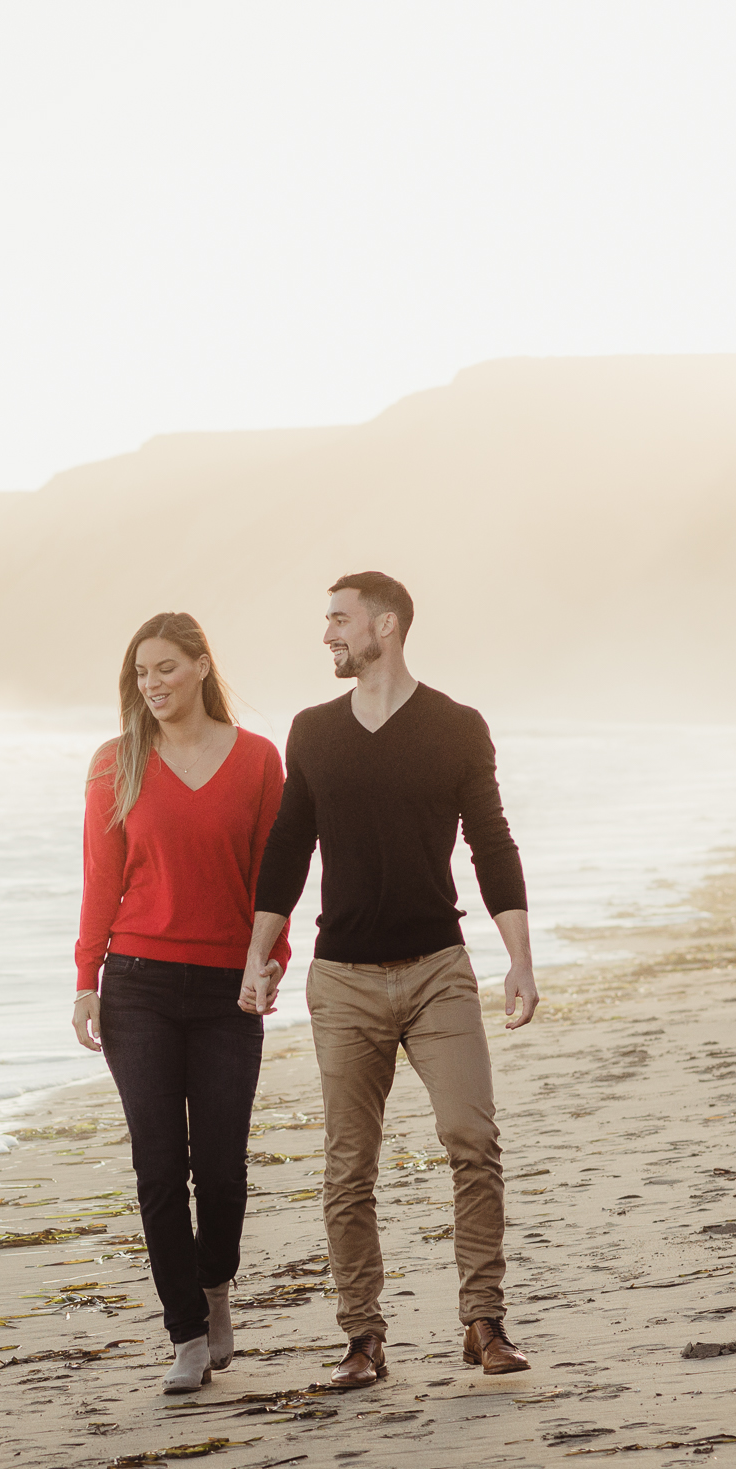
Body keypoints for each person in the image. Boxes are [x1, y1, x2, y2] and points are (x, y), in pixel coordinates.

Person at [238, 571, 540, 1388]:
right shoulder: (313, 732)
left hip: (439, 969)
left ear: (388, 625)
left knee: (473, 1141)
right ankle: (362, 1338)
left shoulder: (455, 727)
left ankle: (483, 1320)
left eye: (339, 619)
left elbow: (492, 843)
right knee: (349, 1164)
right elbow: (287, 851)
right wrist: (259, 956)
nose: (328, 634)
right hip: (341, 980)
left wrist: (518, 957)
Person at [75, 612, 292, 1395]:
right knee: (160, 1168)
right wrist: (84, 981)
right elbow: (102, 880)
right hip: (136, 984)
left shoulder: (260, 760)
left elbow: (276, 876)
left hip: (228, 987)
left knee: (223, 1166)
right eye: (140, 673)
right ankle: (186, 1334)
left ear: (202, 667)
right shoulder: (116, 762)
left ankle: (217, 1287)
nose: (152, 684)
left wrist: (269, 961)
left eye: (165, 667)